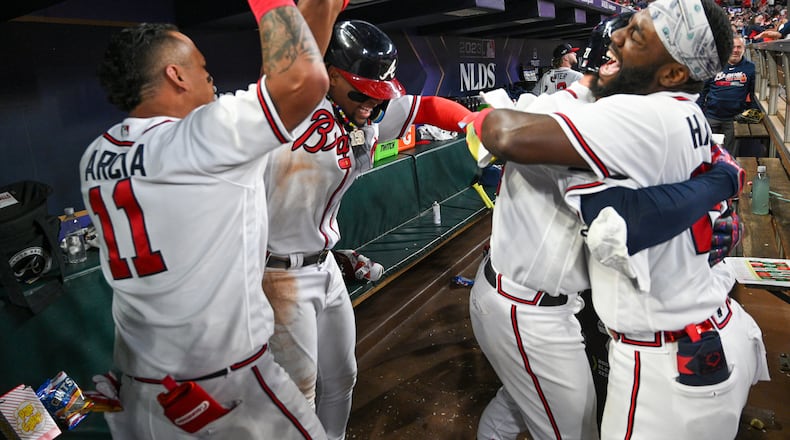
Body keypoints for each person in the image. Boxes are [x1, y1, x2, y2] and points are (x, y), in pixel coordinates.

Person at [466, 1, 769, 438]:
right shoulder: (684, 113)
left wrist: (718, 183)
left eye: (637, 36)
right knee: (532, 408)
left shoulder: (640, 114)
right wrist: (720, 182)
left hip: (668, 358)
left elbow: (503, 134)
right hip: (697, 333)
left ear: (672, 73)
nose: (618, 40)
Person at [79, 1, 344, 438]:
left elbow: (295, 78)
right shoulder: (202, 138)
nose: (211, 77)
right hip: (224, 387)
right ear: (175, 75)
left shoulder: (97, 154)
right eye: (201, 68)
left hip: (139, 392)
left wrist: (321, 10)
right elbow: (303, 80)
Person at [261, 19, 475, 440]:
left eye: (378, 96)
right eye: (361, 92)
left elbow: (427, 107)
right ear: (330, 75)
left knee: (342, 377)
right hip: (276, 275)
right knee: (297, 397)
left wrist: (474, 122)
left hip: (325, 266)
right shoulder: (287, 113)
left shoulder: (366, 113)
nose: (370, 106)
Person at [697, 35, 758, 154]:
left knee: (730, 154)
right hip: (711, 115)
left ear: (744, 49)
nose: (735, 50)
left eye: (739, 47)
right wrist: (698, 110)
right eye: (732, 47)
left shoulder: (750, 68)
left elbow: (754, 93)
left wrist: (752, 111)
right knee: (707, 152)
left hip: (734, 118)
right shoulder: (714, 65)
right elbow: (703, 90)